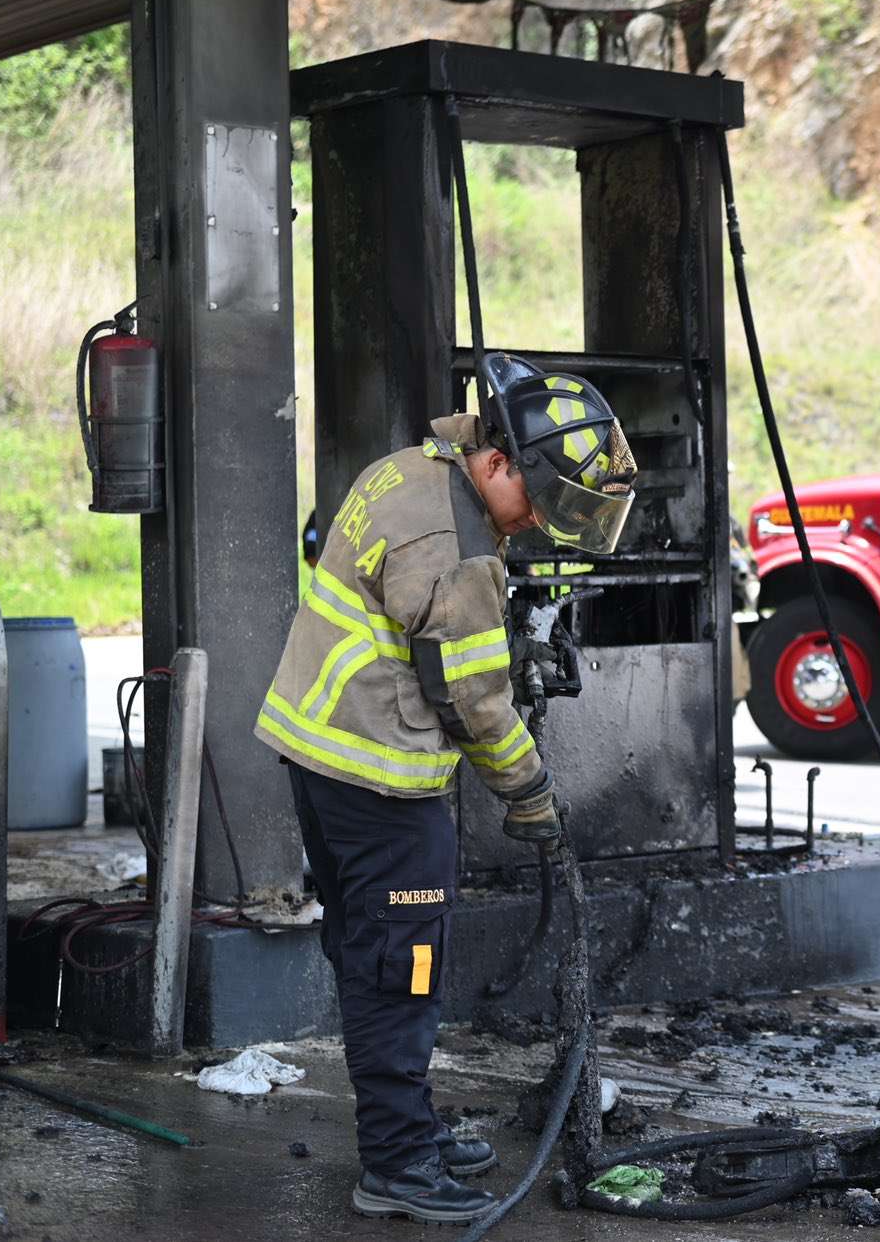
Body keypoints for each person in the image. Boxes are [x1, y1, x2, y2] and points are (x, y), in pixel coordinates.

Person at [255, 353, 635, 1224]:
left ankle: (408, 1131)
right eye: (538, 498)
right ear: (496, 461)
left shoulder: (410, 471)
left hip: (330, 759)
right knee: (403, 970)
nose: (539, 521)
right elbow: (475, 702)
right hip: (380, 779)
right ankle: (394, 1165)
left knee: (375, 957)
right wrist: (531, 793)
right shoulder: (459, 554)